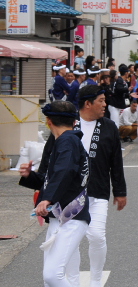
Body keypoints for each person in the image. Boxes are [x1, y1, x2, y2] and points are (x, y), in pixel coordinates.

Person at [18, 101, 90, 287]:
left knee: (52, 276)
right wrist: (30, 176)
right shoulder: (65, 141)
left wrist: (47, 199)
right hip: (61, 217)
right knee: (52, 279)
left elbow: (64, 172)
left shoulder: (67, 141)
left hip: (71, 217)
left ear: (48, 121)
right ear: (74, 121)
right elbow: (53, 178)